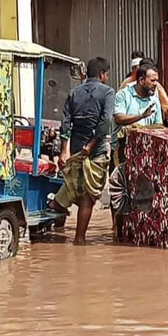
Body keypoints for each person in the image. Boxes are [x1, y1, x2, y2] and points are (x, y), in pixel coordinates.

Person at [48, 56, 114, 245]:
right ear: (102, 75)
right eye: (107, 74)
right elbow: (105, 122)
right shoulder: (107, 92)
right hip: (95, 152)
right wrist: (91, 145)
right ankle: (79, 239)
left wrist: (63, 151)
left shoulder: (74, 92)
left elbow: (66, 122)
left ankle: (59, 208)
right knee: (88, 198)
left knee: (78, 189)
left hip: (75, 150)